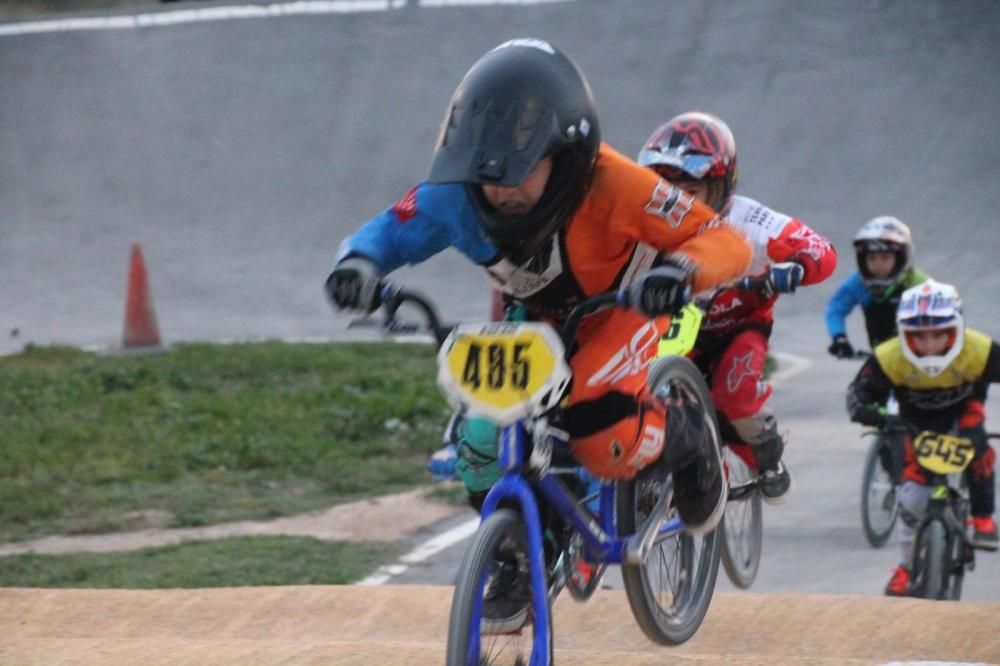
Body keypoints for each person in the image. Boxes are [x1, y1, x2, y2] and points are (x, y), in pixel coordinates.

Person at [326, 38, 752, 631]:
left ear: (567, 157)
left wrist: (680, 270)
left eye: (520, 170)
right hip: (537, 322)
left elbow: (725, 241)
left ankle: (684, 436)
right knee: (477, 445)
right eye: (485, 172)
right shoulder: (460, 196)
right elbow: (391, 229)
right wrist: (359, 266)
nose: (500, 190)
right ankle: (520, 555)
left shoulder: (616, 184)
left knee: (601, 435)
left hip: (620, 312)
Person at [636, 111, 837, 503]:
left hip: (739, 326)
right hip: (674, 329)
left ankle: (765, 451)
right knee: (641, 389)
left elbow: (820, 248)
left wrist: (795, 268)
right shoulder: (643, 224)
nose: (680, 205)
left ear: (721, 188)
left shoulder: (751, 220)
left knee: (733, 392)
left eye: (691, 192)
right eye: (668, 190)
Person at [846, 279, 999, 596]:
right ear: (904, 335)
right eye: (919, 337)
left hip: (963, 413)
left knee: (980, 453)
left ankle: (983, 518)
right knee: (912, 499)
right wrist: (866, 409)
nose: (929, 345)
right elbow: (858, 390)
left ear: (956, 330)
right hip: (915, 423)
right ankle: (906, 566)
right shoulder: (889, 356)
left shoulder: (979, 349)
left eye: (938, 334)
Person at [826, 216, 930, 358]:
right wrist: (839, 337)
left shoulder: (919, 284)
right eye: (872, 258)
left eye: (885, 258)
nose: (878, 265)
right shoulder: (858, 283)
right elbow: (835, 308)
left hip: (920, 357)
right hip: (882, 359)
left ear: (900, 258)